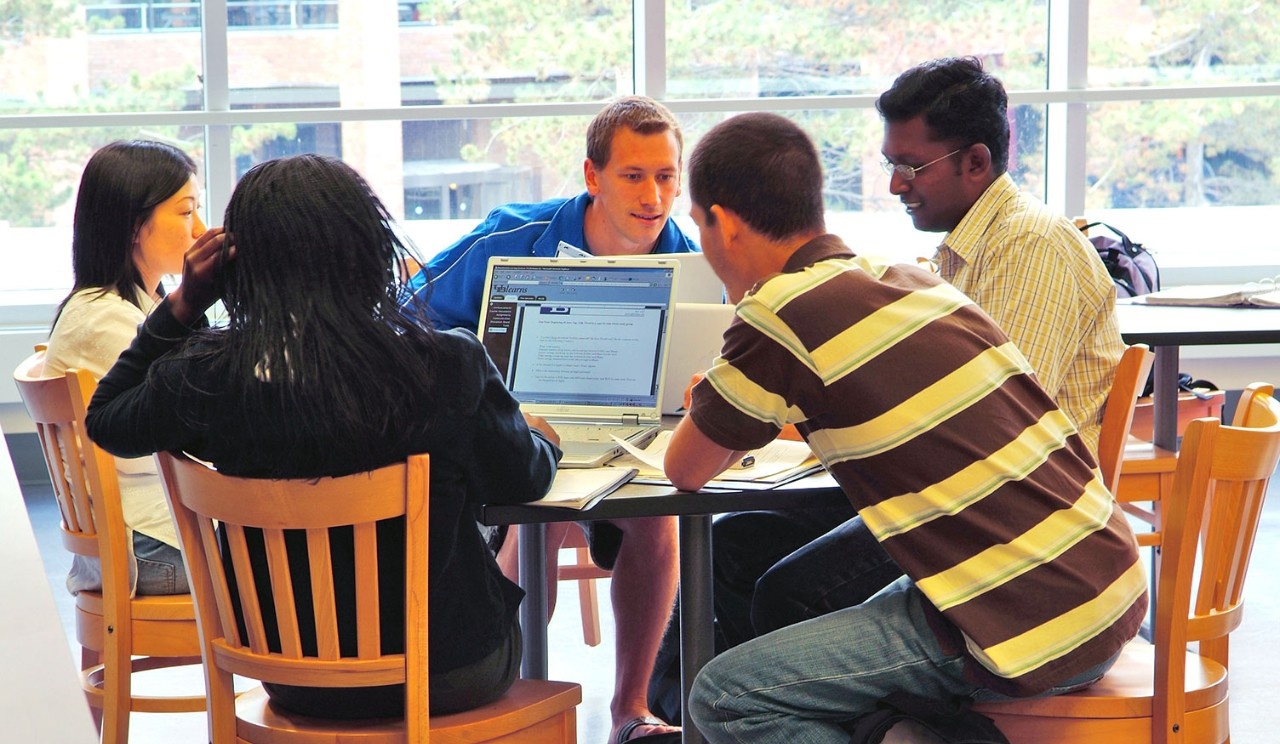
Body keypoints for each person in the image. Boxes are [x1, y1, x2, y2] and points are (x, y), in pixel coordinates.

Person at [649, 56, 1127, 722]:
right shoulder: (911, 275)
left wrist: (742, 392)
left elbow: (685, 469)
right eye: (889, 165)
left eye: (911, 166)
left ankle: (797, 720)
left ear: (724, 224)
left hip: (1021, 587)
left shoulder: (1028, 246)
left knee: (733, 685)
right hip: (1077, 567)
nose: (897, 184)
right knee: (743, 549)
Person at [85, 154, 561, 719]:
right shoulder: (447, 365)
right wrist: (542, 440)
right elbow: (522, 482)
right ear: (370, 251)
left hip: (289, 676)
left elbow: (105, 418)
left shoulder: (205, 380)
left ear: (237, 265)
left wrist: (184, 303)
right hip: (448, 671)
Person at [403, 94, 692, 743]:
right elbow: (404, 318)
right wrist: (485, 392)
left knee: (661, 519)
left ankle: (631, 713)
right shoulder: (509, 237)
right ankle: (511, 697)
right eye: (633, 175)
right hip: (521, 430)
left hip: (636, 439)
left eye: (666, 176)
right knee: (546, 507)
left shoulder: (691, 260)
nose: (653, 197)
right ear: (593, 177)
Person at [44, 139, 205, 597]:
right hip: (147, 545)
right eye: (186, 212)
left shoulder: (129, 305)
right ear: (135, 225)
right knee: (297, 553)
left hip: (145, 534)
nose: (201, 230)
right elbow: (182, 429)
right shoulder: (105, 320)